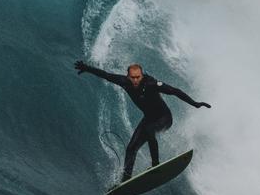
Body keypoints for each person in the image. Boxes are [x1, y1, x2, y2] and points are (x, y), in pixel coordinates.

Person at [74, 60, 210, 183]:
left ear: (142, 75)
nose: (135, 80)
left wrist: (195, 104)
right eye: (132, 77)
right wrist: (87, 68)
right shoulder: (124, 82)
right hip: (149, 119)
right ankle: (125, 181)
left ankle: (155, 164)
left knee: (150, 129)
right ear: (128, 76)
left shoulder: (151, 83)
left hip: (164, 118)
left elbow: (175, 91)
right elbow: (106, 75)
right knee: (131, 148)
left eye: (138, 77)